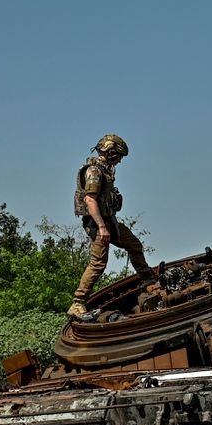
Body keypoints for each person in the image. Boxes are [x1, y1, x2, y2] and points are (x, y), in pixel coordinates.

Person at [68, 133, 155, 318]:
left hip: (110, 221)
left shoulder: (105, 170)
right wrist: (101, 227)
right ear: (111, 152)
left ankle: (147, 279)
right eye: (119, 156)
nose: (119, 161)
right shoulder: (94, 171)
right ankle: (78, 303)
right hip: (98, 222)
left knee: (134, 244)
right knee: (98, 263)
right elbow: (90, 200)